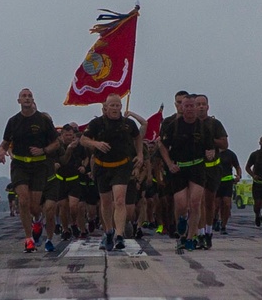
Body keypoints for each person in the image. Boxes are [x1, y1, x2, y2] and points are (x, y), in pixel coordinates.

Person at [0, 88, 60, 253]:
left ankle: (37, 220)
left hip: (39, 165)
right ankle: (29, 239)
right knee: (23, 201)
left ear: (33, 100)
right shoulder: (13, 121)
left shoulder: (43, 120)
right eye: (24, 96)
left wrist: (43, 150)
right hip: (20, 165)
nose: (27, 98)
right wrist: (0, 151)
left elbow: (56, 143)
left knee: (34, 206)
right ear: (19, 101)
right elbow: (5, 142)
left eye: (30, 96)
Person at [81, 95, 143, 250]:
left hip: (122, 166)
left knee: (120, 200)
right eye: (112, 106)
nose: (115, 108)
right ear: (105, 108)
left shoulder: (128, 124)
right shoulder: (96, 123)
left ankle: (120, 235)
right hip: (102, 167)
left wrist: (140, 154)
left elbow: (138, 137)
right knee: (106, 202)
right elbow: (83, 139)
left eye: (118, 105)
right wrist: (96, 143)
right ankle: (108, 230)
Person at [158, 92, 208, 252]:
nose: (189, 109)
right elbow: (162, 146)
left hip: (197, 167)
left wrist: (211, 152)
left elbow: (212, 145)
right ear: (181, 107)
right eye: (186, 106)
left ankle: (191, 237)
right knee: (180, 203)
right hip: (179, 168)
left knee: (195, 202)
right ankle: (181, 226)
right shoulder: (174, 125)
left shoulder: (203, 126)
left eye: (192, 106)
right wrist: (169, 163)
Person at [194, 93, 228, 249]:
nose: (201, 106)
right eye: (198, 104)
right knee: (197, 202)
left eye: (203, 104)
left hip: (213, 168)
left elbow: (224, 144)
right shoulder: (189, 123)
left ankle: (208, 232)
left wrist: (209, 141)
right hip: (196, 167)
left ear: (207, 107)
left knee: (209, 202)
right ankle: (199, 233)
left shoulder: (215, 124)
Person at [215, 147, 242, 233]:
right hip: (215, 182)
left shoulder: (230, 154)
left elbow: (237, 167)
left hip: (227, 183)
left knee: (226, 204)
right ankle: (215, 219)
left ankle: (223, 226)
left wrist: (238, 176)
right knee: (216, 205)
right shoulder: (212, 152)